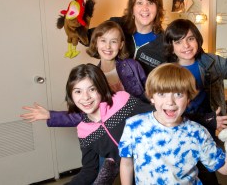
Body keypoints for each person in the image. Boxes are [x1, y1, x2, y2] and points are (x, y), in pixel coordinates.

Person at [20, 63, 154, 185]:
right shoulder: (84, 131)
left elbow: (154, 115)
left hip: (158, 162)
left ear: (101, 89)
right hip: (130, 175)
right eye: (78, 91)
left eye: (92, 89)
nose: (85, 97)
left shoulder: (121, 100)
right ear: (71, 95)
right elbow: (89, 170)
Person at [118, 63, 227, 184]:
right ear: (152, 97)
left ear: (188, 99)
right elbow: (127, 164)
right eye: (161, 94)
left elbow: (225, 169)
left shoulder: (198, 132)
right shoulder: (134, 125)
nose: (170, 102)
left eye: (178, 94)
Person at [164, 8, 227, 117]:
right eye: (178, 42)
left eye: (190, 39)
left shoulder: (212, 62)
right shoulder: (165, 72)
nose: (186, 45)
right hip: (183, 129)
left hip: (213, 129)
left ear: (197, 39)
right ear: (171, 47)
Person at [87, 0, 166, 75]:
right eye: (139, 3)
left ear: (158, 9)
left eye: (150, 3)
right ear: (132, 8)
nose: (145, 8)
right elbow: (86, 37)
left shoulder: (165, 43)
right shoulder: (116, 24)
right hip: (106, 84)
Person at [87, 20, 148, 102]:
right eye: (103, 40)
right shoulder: (91, 77)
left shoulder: (133, 65)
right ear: (95, 43)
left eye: (113, 41)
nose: (108, 46)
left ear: (121, 45)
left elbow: (150, 94)